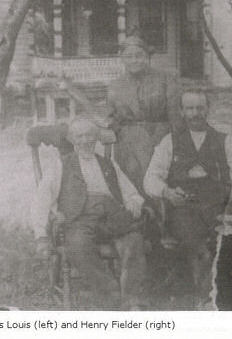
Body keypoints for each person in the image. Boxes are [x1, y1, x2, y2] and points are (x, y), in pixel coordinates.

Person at [143, 88, 232, 307]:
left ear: (208, 109)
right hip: (183, 210)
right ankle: (205, 301)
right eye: (190, 108)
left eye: (200, 107)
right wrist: (167, 192)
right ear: (181, 111)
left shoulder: (225, 141)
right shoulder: (169, 141)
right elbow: (150, 178)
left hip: (219, 207)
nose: (195, 113)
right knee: (201, 251)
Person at [31, 116, 148, 310]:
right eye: (79, 136)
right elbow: (41, 200)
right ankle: (110, 295)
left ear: (96, 138)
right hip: (79, 219)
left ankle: (132, 300)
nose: (85, 141)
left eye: (90, 136)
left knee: (134, 239)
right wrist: (41, 235)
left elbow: (131, 192)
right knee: (77, 245)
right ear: (71, 139)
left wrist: (134, 201)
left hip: (113, 216)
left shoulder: (109, 165)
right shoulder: (61, 165)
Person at [107, 35, 180, 194]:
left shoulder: (165, 79)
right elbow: (110, 119)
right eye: (129, 56)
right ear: (122, 59)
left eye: (139, 55)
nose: (134, 60)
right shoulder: (115, 85)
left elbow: (175, 116)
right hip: (127, 144)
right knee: (132, 184)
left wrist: (177, 143)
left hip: (159, 138)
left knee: (159, 180)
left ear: (147, 56)